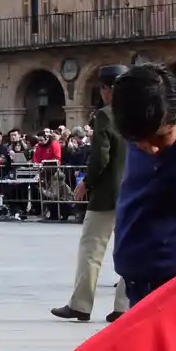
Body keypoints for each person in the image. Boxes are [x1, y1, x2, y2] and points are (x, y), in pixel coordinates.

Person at [108, 66, 176, 309]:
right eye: (140, 140)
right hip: (134, 267)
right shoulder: (138, 116)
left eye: (161, 136)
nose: (151, 148)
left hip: (165, 273)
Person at [53, 65, 130, 323]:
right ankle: (123, 305)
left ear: (107, 89)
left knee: (91, 249)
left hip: (107, 193)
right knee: (128, 248)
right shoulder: (139, 114)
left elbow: (100, 157)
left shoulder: (105, 116)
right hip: (132, 191)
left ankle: (81, 304)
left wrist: (86, 181)